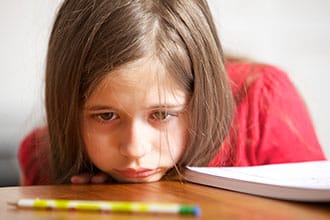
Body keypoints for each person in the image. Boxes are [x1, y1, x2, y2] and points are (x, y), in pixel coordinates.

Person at [18, 0, 326, 186]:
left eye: (162, 114)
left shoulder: (263, 102)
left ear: (201, 95)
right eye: (106, 115)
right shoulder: (41, 158)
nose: (135, 150)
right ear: (66, 106)